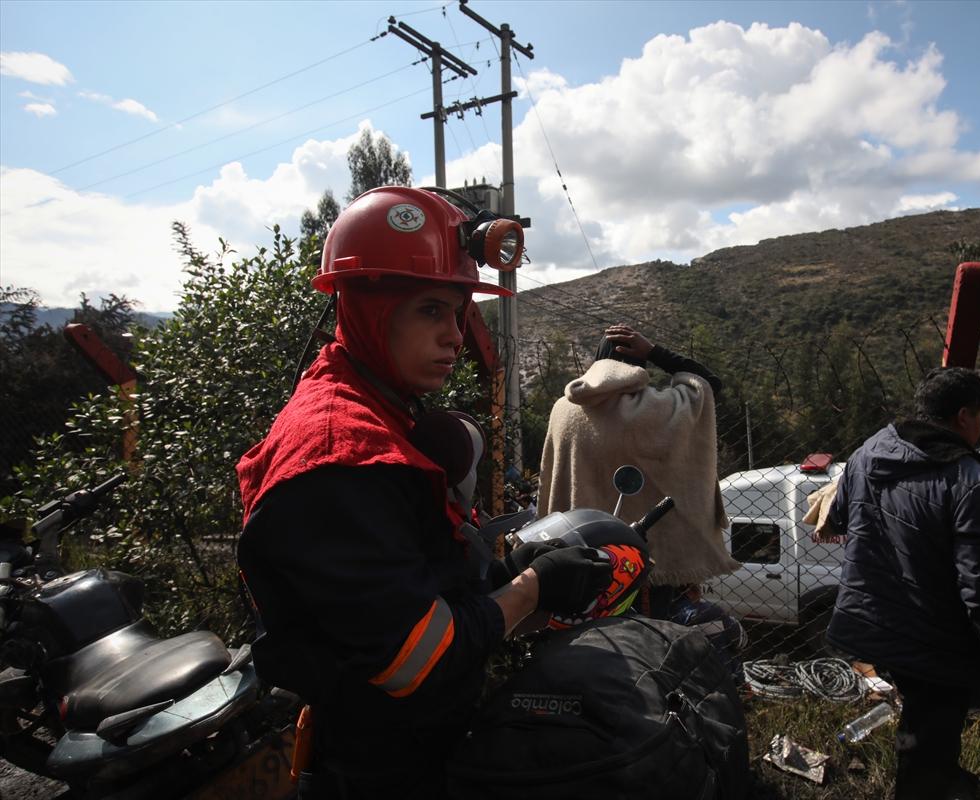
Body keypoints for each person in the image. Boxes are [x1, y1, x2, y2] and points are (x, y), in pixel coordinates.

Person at [236, 187, 611, 798]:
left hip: (411, 745)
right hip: (379, 768)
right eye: (431, 310)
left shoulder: (377, 405)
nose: (456, 337)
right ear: (369, 308)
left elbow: (408, 576)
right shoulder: (341, 454)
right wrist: (532, 589)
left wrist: (506, 572)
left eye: (459, 313)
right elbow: (414, 658)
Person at [825, 367, 980, 800]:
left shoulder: (867, 453)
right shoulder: (972, 481)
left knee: (919, 726)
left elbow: (838, 517)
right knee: (931, 743)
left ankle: (924, 778)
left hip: (878, 622)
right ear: (963, 416)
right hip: (936, 637)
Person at [538, 324, 739, 618]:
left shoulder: (563, 410)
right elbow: (708, 384)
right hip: (648, 563)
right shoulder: (661, 409)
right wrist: (655, 352)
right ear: (638, 366)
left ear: (597, 362)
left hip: (581, 557)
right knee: (649, 636)